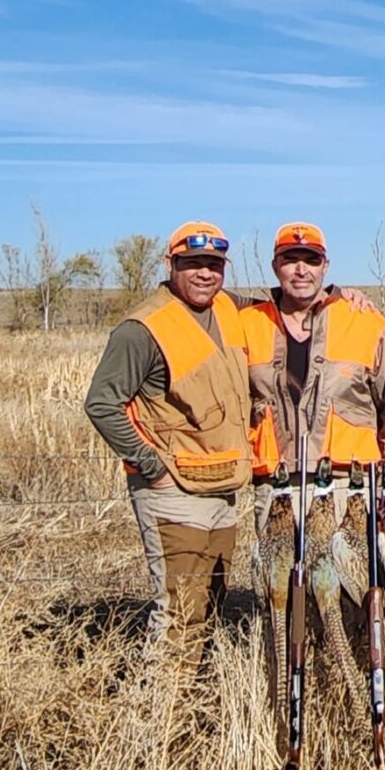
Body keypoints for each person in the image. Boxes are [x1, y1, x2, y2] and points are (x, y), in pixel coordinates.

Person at [84, 221, 252, 656]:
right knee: (179, 613)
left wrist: (339, 295)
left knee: (209, 607)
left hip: (222, 487)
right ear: (170, 264)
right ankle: (163, 717)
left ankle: (189, 709)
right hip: (173, 492)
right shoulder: (141, 328)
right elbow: (102, 404)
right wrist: (152, 467)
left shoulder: (228, 309)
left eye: (213, 265)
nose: (204, 274)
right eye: (192, 264)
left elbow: (285, 307)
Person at [239, 223, 385, 529]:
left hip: (348, 485)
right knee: (279, 577)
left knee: (349, 575)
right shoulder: (247, 323)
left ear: (326, 266)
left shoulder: (364, 320)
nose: (301, 270)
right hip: (276, 483)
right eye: (290, 259)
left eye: (311, 260)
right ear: (275, 266)